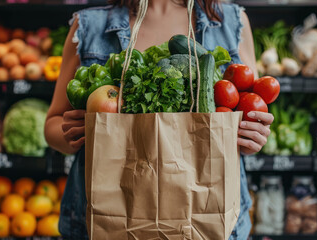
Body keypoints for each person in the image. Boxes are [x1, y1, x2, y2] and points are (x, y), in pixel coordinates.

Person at [44, 0, 274, 239]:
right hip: (109, 218)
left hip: (209, 218)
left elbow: (250, 112)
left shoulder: (231, 22)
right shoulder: (89, 25)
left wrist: (251, 138)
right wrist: (72, 134)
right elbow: (52, 125)